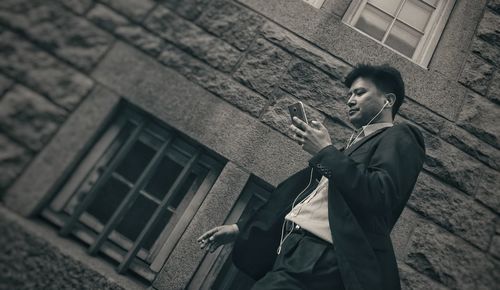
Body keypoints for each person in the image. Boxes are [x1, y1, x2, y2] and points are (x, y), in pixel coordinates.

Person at [198, 64, 425, 290]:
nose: (350, 100)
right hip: (293, 251)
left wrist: (325, 151)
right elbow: (296, 195)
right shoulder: (347, 149)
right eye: (349, 94)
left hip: (321, 257)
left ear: (388, 100)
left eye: (360, 92)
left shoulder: (400, 134)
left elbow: (380, 194)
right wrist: (241, 228)